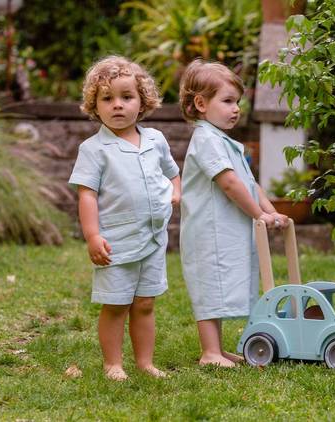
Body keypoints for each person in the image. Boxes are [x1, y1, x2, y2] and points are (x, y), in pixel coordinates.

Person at [68, 56, 180, 381]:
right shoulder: (94, 149)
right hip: (115, 242)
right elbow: (86, 194)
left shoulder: (156, 140)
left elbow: (173, 173)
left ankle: (145, 363)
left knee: (145, 303)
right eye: (107, 98)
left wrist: (176, 190)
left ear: (142, 101)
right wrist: (92, 236)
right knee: (116, 305)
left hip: (154, 238)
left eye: (126, 97)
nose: (117, 105)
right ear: (95, 105)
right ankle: (112, 364)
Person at [178, 59, 288, 367]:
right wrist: (258, 215)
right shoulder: (205, 140)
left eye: (237, 102)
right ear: (201, 103)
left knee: (222, 284)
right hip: (208, 230)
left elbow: (250, 184)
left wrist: (272, 212)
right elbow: (228, 183)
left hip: (226, 229)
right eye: (227, 101)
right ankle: (209, 352)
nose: (236, 109)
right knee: (210, 287)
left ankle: (218, 349)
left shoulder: (226, 142)